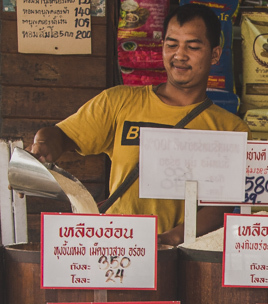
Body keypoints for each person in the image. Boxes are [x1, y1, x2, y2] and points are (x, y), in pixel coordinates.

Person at [28, 3, 247, 245]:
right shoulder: (119, 101)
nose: (179, 55)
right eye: (171, 44)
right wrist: (44, 143)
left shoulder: (230, 129)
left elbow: (221, 205)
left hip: (179, 257)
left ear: (215, 54)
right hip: (115, 248)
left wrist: (168, 240)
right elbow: (62, 135)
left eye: (193, 47)